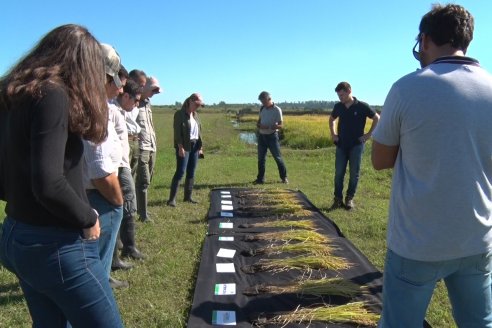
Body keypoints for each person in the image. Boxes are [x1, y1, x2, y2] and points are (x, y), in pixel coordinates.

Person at [372, 4, 492, 327]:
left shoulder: (406, 88)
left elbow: (380, 161)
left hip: (416, 244)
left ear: (424, 41)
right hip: (476, 238)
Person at [0, 24, 123, 327]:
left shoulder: (17, 93)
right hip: (55, 243)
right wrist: (88, 216)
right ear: (81, 63)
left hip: (17, 232)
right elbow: (49, 182)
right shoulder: (53, 94)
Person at [84, 44, 127, 289]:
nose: (120, 88)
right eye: (115, 80)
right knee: (94, 270)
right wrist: (117, 201)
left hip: (93, 195)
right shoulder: (94, 108)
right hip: (100, 197)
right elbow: (100, 172)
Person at [110, 79, 146, 265]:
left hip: (122, 162)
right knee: (124, 203)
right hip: (117, 165)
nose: (137, 104)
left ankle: (127, 247)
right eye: (135, 100)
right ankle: (121, 252)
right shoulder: (111, 109)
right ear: (126, 96)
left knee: (126, 205)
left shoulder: (119, 110)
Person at [329, 82, 379, 210]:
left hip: (356, 145)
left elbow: (377, 118)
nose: (340, 98)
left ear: (349, 91)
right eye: (339, 96)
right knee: (339, 173)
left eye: (342, 95)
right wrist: (333, 134)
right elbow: (332, 119)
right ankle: (337, 199)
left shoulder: (362, 106)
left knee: (354, 173)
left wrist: (368, 135)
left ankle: (349, 198)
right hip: (341, 144)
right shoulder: (338, 106)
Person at [167, 93, 204, 207]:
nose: (198, 107)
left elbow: (199, 131)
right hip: (184, 146)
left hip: (195, 145)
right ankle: (171, 199)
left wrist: (200, 147)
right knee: (181, 171)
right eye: (197, 104)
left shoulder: (195, 115)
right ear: (190, 102)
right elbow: (177, 132)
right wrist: (180, 147)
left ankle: (188, 197)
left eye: (199, 105)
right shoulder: (179, 114)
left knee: (191, 171)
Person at [135, 76, 161, 222]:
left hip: (152, 146)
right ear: (144, 87)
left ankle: (143, 210)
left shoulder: (147, 103)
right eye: (153, 90)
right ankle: (142, 215)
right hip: (142, 147)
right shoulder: (135, 103)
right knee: (143, 181)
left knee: (148, 179)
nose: (153, 94)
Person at [253, 91, 288, 184]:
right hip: (262, 136)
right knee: (261, 159)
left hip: (272, 136)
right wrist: (260, 126)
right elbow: (258, 123)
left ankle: (284, 178)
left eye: (264, 101)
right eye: (261, 102)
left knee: (278, 157)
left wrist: (274, 126)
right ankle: (260, 179)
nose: (263, 103)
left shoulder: (277, 110)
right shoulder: (262, 109)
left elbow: (281, 125)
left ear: (269, 99)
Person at [127, 69, 147, 178]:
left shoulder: (137, 100)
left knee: (132, 176)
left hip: (135, 141)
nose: (142, 88)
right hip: (126, 140)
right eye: (140, 85)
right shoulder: (123, 98)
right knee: (124, 177)